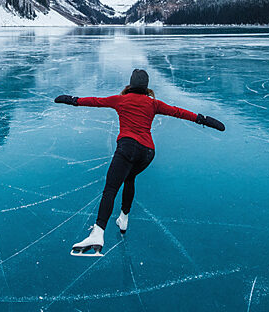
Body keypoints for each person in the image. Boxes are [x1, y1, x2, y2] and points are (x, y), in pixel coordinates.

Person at [53, 68, 225, 256]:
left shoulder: (121, 100)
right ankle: (124, 217)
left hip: (127, 148)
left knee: (111, 188)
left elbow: (95, 101)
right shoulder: (153, 104)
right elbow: (178, 112)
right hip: (147, 153)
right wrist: (204, 120)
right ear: (146, 86)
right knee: (129, 178)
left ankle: (98, 233)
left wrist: (71, 100)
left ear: (131, 84)